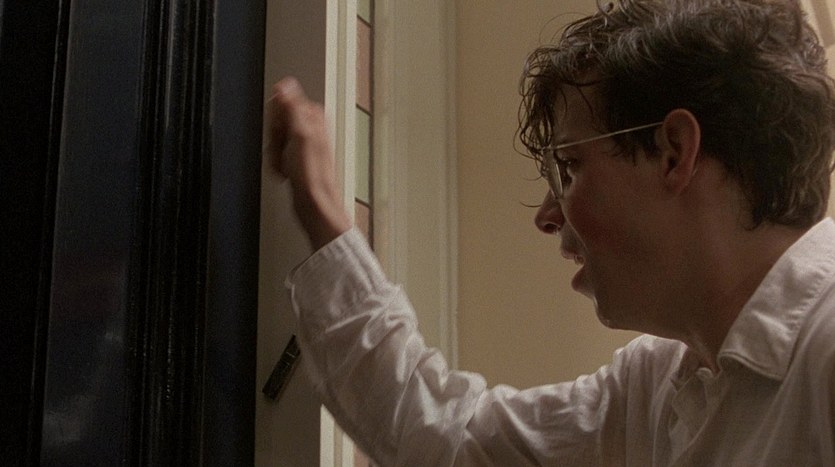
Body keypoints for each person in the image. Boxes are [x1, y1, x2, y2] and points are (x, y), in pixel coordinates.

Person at [266, 0, 835, 465]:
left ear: (673, 153)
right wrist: (321, 211)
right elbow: (448, 437)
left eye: (568, 166)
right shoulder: (658, 386)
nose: (546, 215)